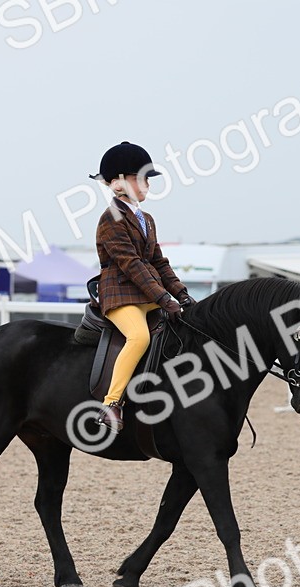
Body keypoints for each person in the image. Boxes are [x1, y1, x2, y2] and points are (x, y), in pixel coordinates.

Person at [90, 142, 193, 431]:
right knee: (138, 338)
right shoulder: (111, 219)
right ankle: (111, 404)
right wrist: (163, 298)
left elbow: (158, 262)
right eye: (142, 178)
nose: (148, 184)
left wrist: (181, 293)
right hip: (121, 295)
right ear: (119, 183)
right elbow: (131, 264)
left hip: (147, 294)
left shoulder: (146, 219)